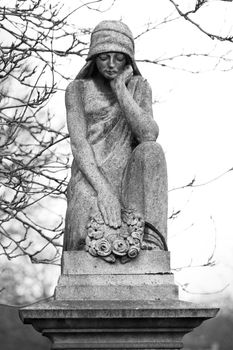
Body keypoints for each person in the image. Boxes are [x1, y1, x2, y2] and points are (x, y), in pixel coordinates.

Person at [64, 20, 167, 252]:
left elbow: (148, 134)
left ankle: (150, 239)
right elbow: (79, 145)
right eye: (104, 57)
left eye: (119, 58)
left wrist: (120, 89)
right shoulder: (77, 89)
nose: (111, 64)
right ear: (94, 57)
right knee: (85, 209)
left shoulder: (138, 87)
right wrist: (103, 190)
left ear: (128, 59)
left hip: (129, 179)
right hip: (91, 175)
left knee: (152, 151)